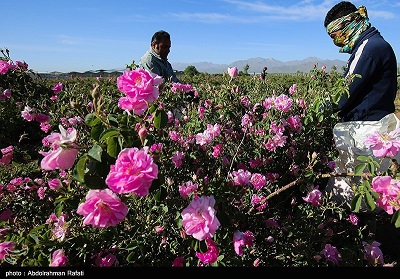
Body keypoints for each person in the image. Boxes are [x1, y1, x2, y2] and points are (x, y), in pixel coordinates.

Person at [324, 1, 400, 258]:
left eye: (335, 34)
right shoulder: (373, 45)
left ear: (349, 24)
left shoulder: (369, 48)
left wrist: (318, 111)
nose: (336, 41)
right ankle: (372, 245)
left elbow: (343, 94)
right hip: (369, 127)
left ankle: (363, 249)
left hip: (364, 132)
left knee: (353, 194)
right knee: (366, 191)